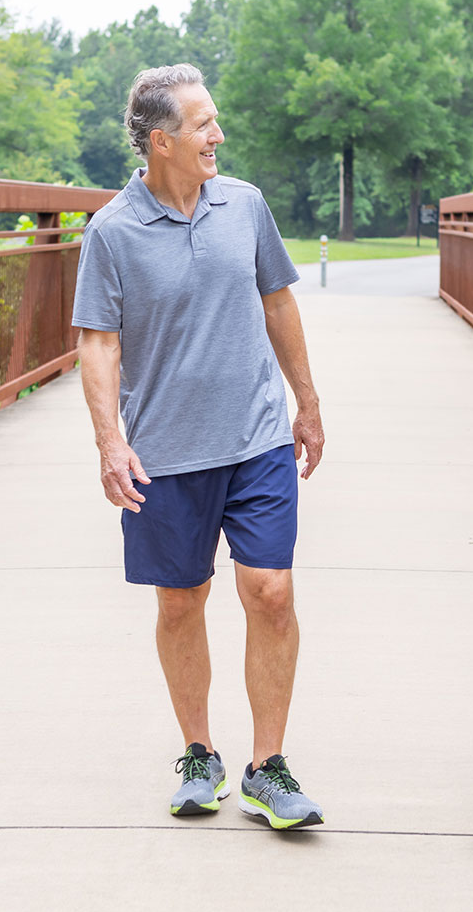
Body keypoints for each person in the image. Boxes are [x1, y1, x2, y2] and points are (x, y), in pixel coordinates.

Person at [72, 63, 327, 830]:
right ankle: (198, 752)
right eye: (203, 124)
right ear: (162, 141)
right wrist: (110, 442)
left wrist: (306, 403)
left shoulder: (244, 205)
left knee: (271, 592)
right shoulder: (112, 230)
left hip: (253, 439)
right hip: (165, 452)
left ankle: (269, 766)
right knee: (182, 601)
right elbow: (99, 345)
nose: (218, 135)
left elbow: (278, 302)